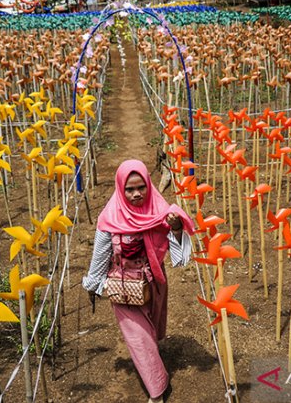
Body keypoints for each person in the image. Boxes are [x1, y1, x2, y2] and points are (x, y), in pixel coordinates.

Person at [83, 159, 193, 403]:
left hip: (153, 281)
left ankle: (151, 360)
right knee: (138, 338)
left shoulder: (159, 209)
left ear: (148, 185)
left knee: (150, 328)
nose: (136, 194)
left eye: (141, 187)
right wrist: (93, 283)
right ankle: (157, 390)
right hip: (123, 286)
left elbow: (177, 250)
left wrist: (175, 228)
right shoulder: (109, 217)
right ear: (120, 189)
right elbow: (100, 254)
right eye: (129, 189)